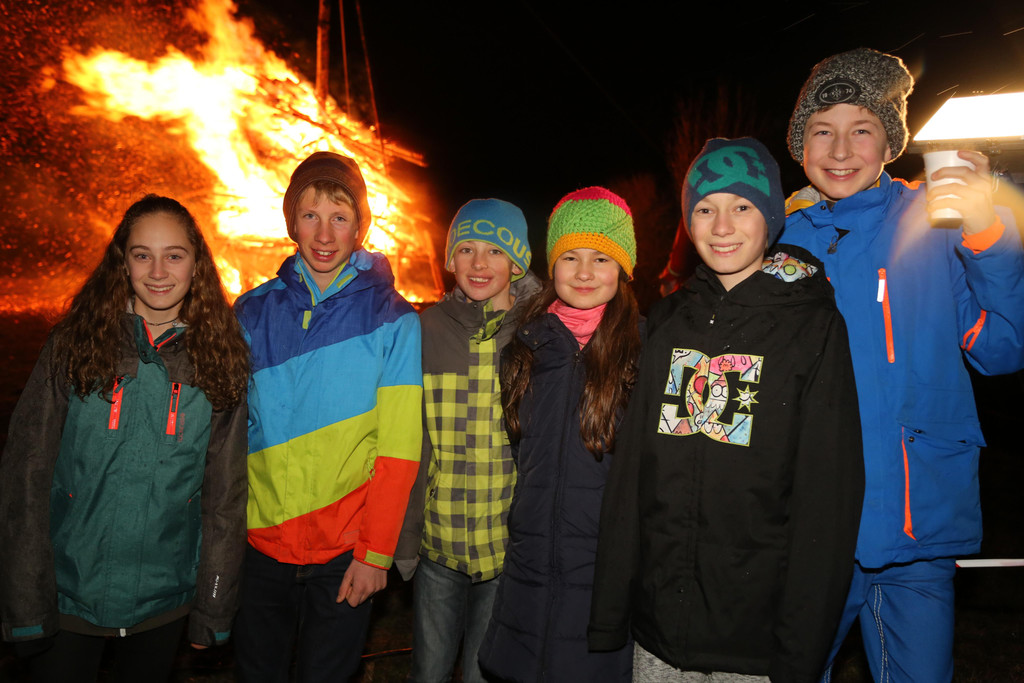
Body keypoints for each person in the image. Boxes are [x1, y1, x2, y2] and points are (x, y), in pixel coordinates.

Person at [780, 48, 1024, 682]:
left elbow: (1003, 348)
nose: (840, 150)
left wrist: (988, 233)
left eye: (862, 129)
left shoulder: (936, 221)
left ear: (891, 143)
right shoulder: (779, 239)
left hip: (917, 524)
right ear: (799, 145)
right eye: (821, 131)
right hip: (808, 529)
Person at [588, 138, 864, 683]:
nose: (721, 227)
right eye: (704, 209)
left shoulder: (812, 327)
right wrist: (612, 610)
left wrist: (800, 650)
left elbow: (826, 497)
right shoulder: (667, 321)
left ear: (770, 217)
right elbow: (632, 476)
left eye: (741, 207)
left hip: (755, 638)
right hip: (659, 629)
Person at [0, 194, 250, 683]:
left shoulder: (220, 358)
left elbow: (225, 498)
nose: (158, 271)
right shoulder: (73, 345)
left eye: (174, 255)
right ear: (123, 262)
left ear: (196, 264)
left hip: (164, 599)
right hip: (69, 594)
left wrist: (214, 606)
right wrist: (25, 601)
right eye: (142, 255)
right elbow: (25, 476)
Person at [233, 151, 422, 682]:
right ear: (291, 221)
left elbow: (399, 451)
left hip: (345, 551)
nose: (323, 233)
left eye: (340, 217)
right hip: (259, 546)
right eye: (310, 215)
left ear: (359, 226)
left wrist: (375, 554)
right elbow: (227, 436)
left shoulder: (394, 320)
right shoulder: (250, 312)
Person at [477, 187, 640, 682]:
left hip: (602, 569)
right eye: (570, 257)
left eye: (601, 258)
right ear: (552, 266)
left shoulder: (645, 350)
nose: (584, 272)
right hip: (530, 563)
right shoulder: (524, 349)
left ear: (624, 268)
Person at [395, 198, 541, 683]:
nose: (479, 263)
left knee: (486, 670)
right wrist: (407, 535)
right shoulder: (426, 330)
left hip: (505, 545)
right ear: (450, 260)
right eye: (466, 249)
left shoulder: (537, 334)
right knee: (429, 670)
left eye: (495, 251)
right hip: (439, 541)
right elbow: (413, 439)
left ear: (517, 263)